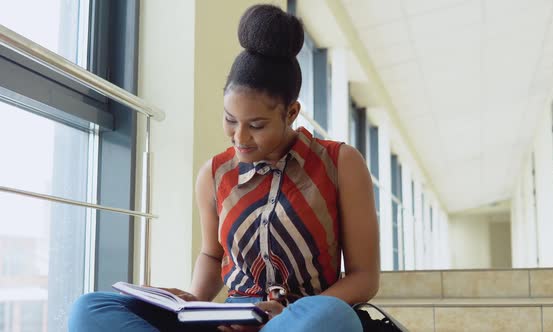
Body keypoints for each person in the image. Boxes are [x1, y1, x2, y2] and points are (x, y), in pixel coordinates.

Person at [68, 4, 379, 332]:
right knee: (90, 308)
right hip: (231, 319)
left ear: (291, 112)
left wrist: (285, 312)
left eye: (257, 125)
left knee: (333, 318)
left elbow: (364, 278)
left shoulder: (340, 163)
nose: (240, 137)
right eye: (230, 120)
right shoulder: (214, 174)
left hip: (301, 317)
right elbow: (212, 256)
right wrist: (191, 302)